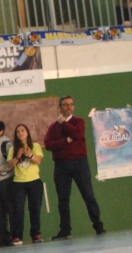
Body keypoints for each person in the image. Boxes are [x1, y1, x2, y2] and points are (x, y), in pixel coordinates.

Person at [44, 96, 105, 239]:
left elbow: (78, 134)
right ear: (60, 107)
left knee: (88, 195)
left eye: (71, 104)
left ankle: (99, 226)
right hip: (61, 165)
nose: (68, 107)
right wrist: (65, 141)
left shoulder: (79, 121)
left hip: (79, 163)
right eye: (65, 104)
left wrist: (64, 123)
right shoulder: (53, 127)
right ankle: (65, 230)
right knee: (63, 199)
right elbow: (48, 144)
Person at [9, 123, 45, 245]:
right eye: (18, 131)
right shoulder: (12, 149)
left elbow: (38, 161)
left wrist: (30, 155)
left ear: (27, 132)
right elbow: (9, 166)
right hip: (18, 183)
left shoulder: (35, 146)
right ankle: (17, 236)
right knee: (18, 210)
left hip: (34, 181)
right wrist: (17, 156)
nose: (20, 133)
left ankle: (36, 234)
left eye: (22, 130)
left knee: (35, 208)